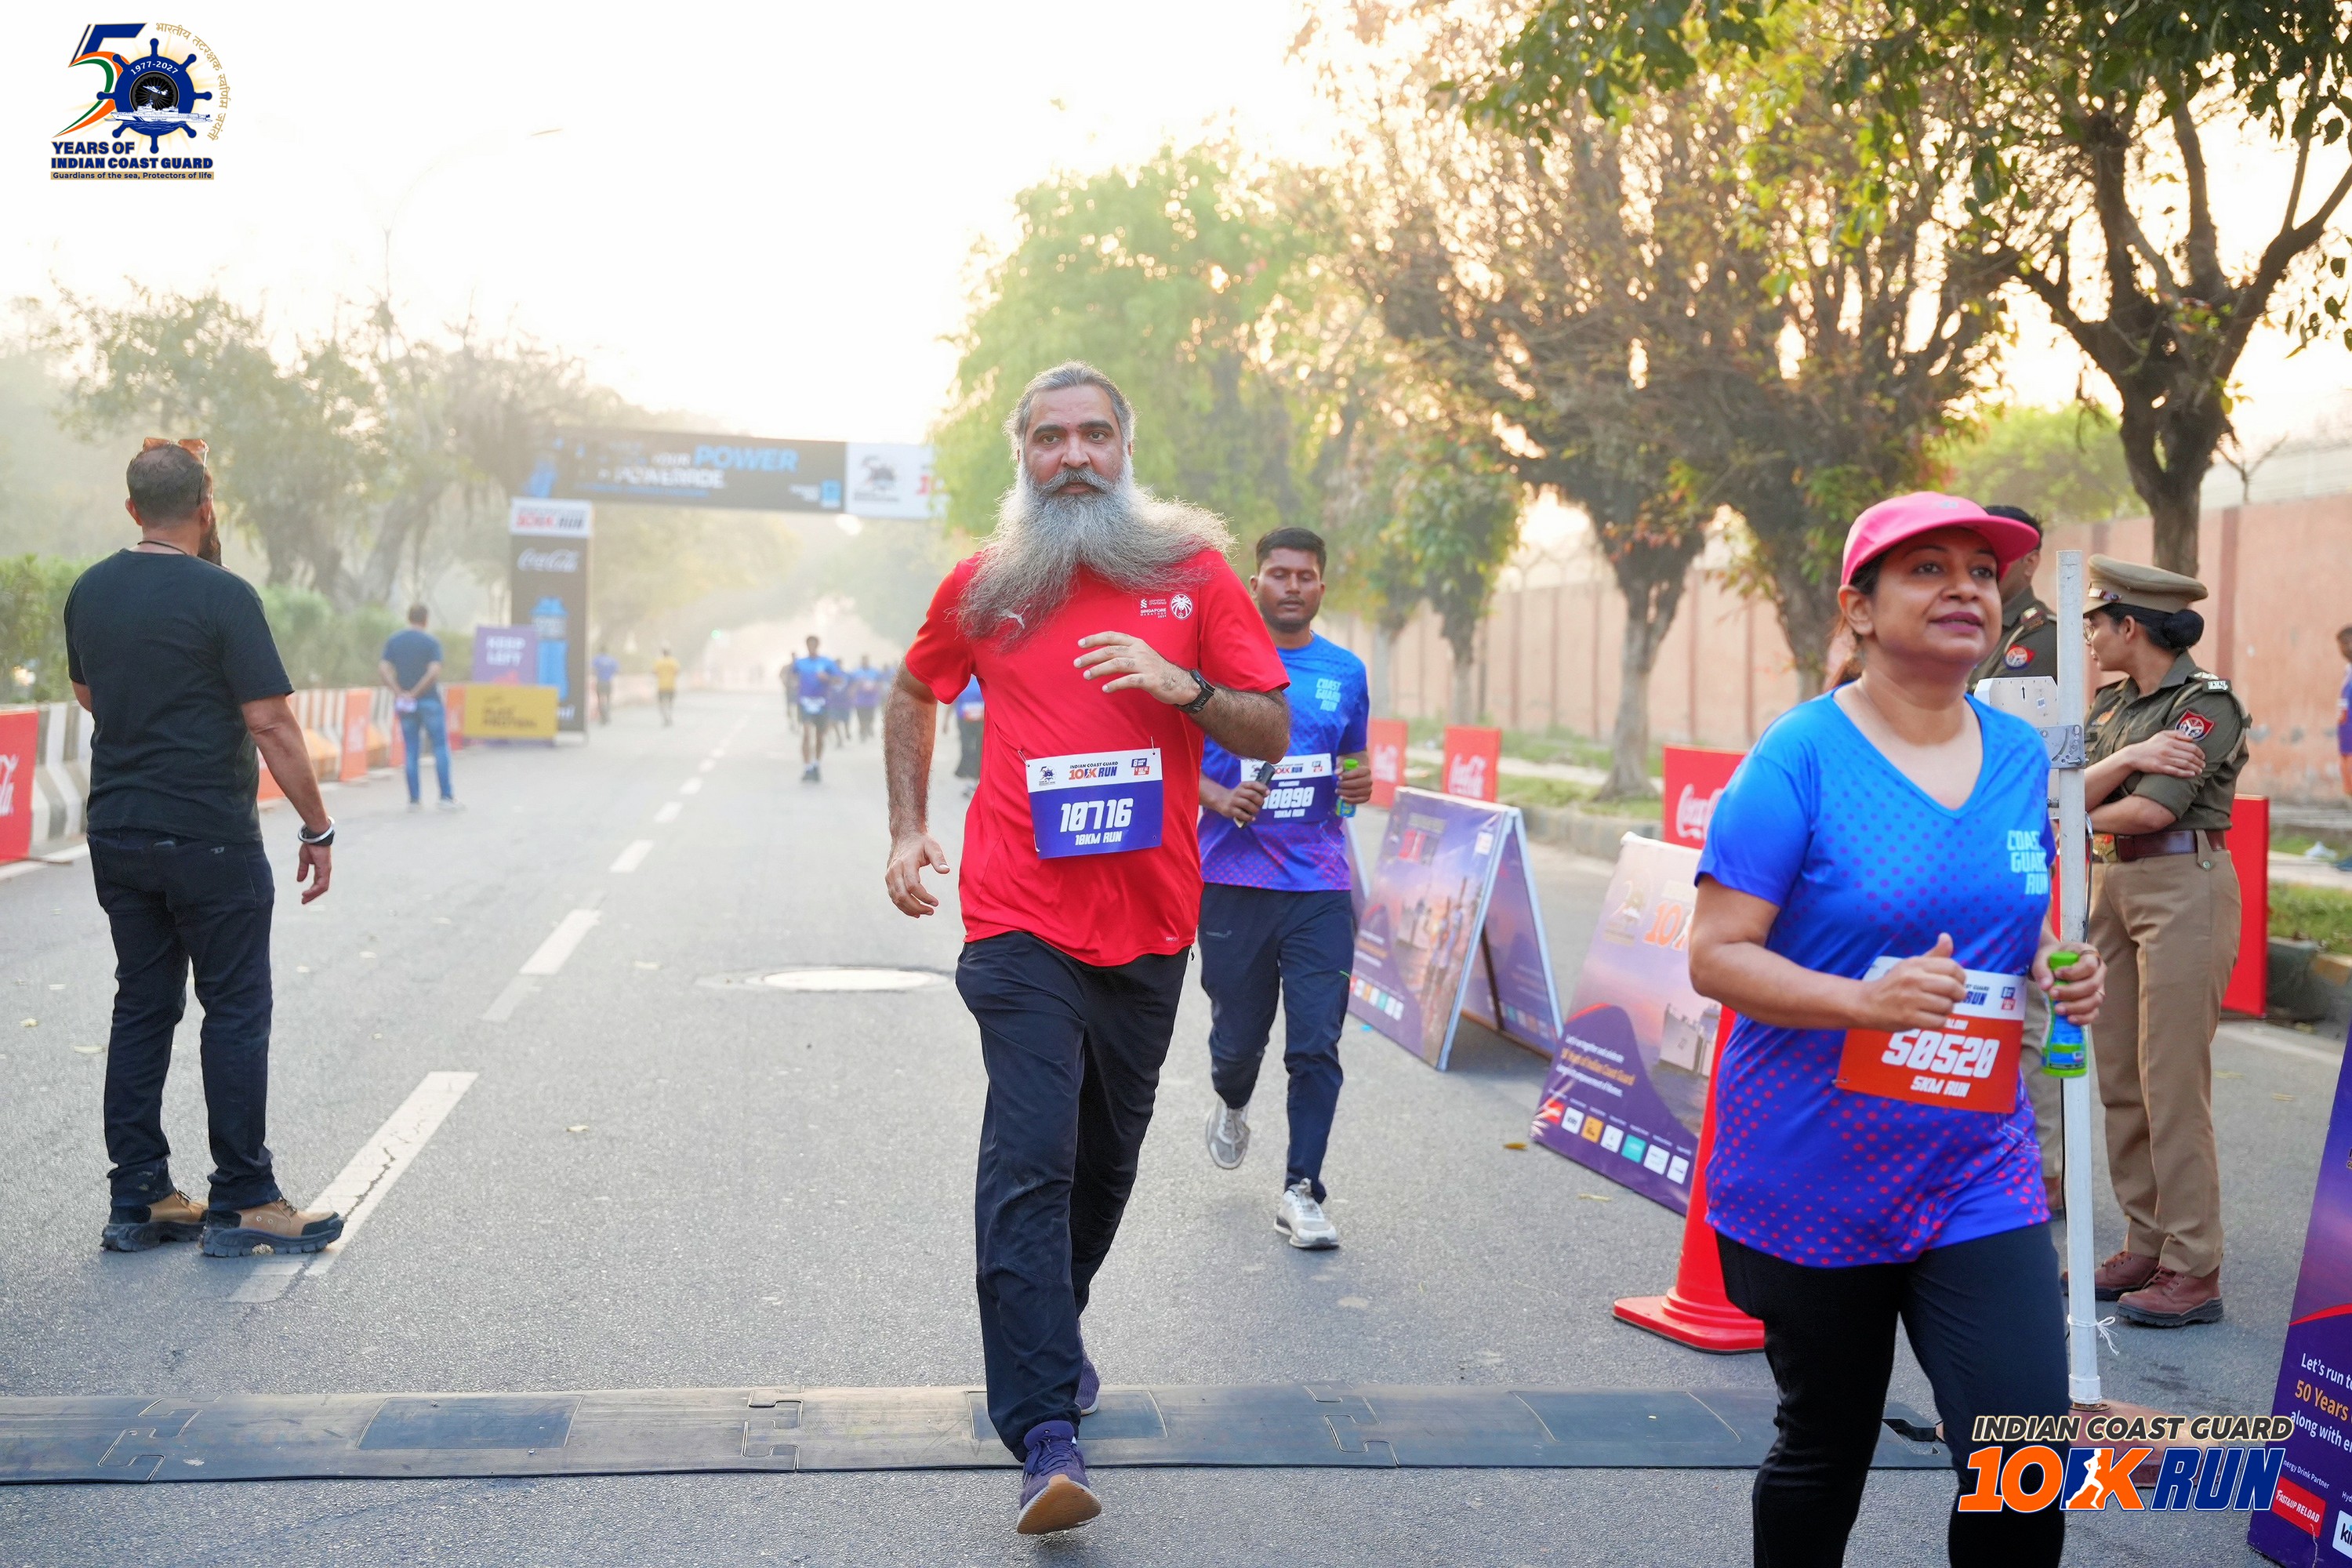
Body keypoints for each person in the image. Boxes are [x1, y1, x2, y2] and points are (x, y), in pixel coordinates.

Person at [882, 361, 1289, 1536]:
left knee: (1106, 1165)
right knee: (1033, 1159)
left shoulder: (1192, 574)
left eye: (1094, 435)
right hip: (1017, 921)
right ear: (1022, 454)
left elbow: (1269, 724)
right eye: (1050, 437)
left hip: (1151, 925)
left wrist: (1184, 687)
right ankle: (1044, 1433)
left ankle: (1049, 1329)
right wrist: (908, 827)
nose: (1073, 456)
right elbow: (914, 691)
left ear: (1125, 449)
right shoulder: (986, 584)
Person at [1686, 492, 2103, 1568]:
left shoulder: (2022, 758)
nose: (1966, 587)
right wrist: (1860, 1002)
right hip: (1814, 1166)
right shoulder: (1799, 757)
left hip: (1977, 1163)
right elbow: (1715, 953)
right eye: (1928, 569)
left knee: (2025, 1461)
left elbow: (2014, 915)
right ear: (1860, 608)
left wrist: (2058, 963)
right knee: (1826, 1447)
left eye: (1982, 570)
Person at [66, 439, 347, 1259]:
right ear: (206, 506)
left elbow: (88, 693)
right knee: (234, 1007)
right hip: (208, 837)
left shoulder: (90, 590)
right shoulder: (224, 595)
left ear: (131, 509)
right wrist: (317, 825)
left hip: (118, 830)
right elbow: (271, 723)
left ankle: (139, 1196)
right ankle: (246, 1199)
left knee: (142, 1003)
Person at [2079, 556, 2249, 1329]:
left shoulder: (2206, 703)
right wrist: (2121, 765)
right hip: (2110, 884)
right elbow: (2064, 786)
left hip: (2185, 882)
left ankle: (2193, 1263)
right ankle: (2145, 1240)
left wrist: (2078, 804)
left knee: (2171, 1080)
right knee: (2119, 1072)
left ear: (2131, 626)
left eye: (2096, 622)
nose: (2087, 636)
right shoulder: (2111, 706)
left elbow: (2153, 810)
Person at [1196, 525, 1373, 1249]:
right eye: (1279, 574)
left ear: (1321, 586)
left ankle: (1302, 1190)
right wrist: (1218, 797)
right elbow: (1165, 758)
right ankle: (1232, 1099)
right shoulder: (1212, 666)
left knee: (1316, 1043)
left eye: (1305, 576)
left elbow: (1352, 763)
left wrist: (1359, 783)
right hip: (1230, 879)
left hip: (1319, 884)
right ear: (1256, 584)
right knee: (1238, 1043)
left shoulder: (1346, 671)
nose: (1292, 586)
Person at [1961, 505, 2062, 1210]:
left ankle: (2042, 1169)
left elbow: (2044, 755)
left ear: (2029, 562)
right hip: (1959, 833)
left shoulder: (2043, 639)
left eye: (1990, 561)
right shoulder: (1963, 631)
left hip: (2019, 834)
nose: (1977, 576)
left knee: (2028, 1017)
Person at [379, 605, 458, 812]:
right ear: (426, 619)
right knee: (440, 747)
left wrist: (399, 692)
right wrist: (416, 692)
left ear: (409, 618)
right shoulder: (431, 643)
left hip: (406, 705)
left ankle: (414, 800)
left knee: (411, 749)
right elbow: (434, 672)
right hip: (429, 701)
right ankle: (445, 797)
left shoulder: (395, 641)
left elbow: (383, 669)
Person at [789, 635, 842, 782]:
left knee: (819, 736)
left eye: (814, 644)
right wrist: (794, 684)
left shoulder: (827, 662)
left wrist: (827, 678)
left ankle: (816, 764)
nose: (811, 647)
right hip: (805, 702)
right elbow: (792, 677)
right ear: (806, 645)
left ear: (818, 645)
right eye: (809, 644)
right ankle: (807, 767)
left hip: (822, 702)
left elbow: (839, 680)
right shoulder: (800, 663)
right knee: (806, 734)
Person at [950, 675, 986, 798]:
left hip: (980, 722)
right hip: (964, 722)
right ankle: (969, 781)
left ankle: (976, 781)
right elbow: (953, 700)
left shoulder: (982, 679)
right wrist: (946, 721)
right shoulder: (960, 680)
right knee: (967, 749)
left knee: (979, 751)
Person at [849, 655, 886, 742]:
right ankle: (862, 732)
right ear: (861, 661)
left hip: (871, 700)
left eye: (866, 660)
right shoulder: (856, 672)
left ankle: (869, 727)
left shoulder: (874, 672)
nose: (864, 662)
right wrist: (853, 691)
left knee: (870, 718)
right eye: (863, 660)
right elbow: (851, 684)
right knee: (861, 718)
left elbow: (880, 683)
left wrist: (875, 687)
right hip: (859, 700)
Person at [592, 645, 619, 726]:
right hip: (608, 682)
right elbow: (617, 670)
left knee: (599, 700)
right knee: (608, 700)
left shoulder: (597, 659)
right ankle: (607, 716)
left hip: (600, 681)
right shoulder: (612, 660)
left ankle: (602, 717)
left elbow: (593, 669)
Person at [653, 645, 679, 726]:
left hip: (661, 686)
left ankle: (665, 717)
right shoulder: (673, 662)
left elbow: (654, 672)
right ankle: (669, 715)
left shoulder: (659, 662)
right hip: (671, 686)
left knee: (661, 703)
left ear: (662, 653)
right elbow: (677, 671)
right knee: (670, 703)